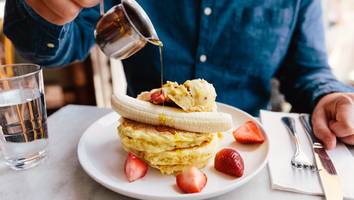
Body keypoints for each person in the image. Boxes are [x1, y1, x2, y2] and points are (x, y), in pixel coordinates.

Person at [4, 0, 354, 149]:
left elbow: (308, 70)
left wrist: (329, 96)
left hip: (247, 153)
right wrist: (45, 13)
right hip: (141, 147)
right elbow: (68, 42)